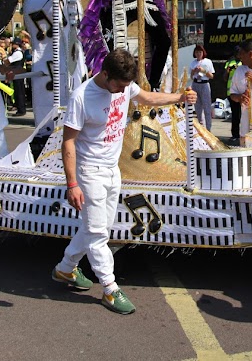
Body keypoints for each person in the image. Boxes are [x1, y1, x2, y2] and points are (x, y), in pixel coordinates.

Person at [51, 48, 196, 315]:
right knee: (97, 235)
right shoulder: (82, 96)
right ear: (105, 74)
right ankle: (109, 288)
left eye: (126, 86)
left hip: (111, 170)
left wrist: (179, 97)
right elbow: (68, 142)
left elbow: (148, 97)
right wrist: (72, 184)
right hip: (89, 171)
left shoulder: (125, 86)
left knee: (100, 228)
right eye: (119, 85)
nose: (122, 92)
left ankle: (64, 268)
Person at [189, 44, 215, 130]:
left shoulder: (208, 62)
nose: (198, 54)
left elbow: (212, 76)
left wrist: (203, 71)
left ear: (203, 53)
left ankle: (208, 128)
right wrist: (193, 72)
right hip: (196, 84)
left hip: (204, 84)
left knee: (207, 107)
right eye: (197, 52)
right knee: (198, 108)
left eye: (200, 52)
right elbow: (191, 77)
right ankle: (201, 127)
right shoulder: (193, 63)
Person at [224, 46, 242, 144]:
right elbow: (224, 77)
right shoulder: (230, 62)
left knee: (244, 115)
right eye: (238, 52)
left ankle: (244, 134)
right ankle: (235, 135)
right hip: (232, 93)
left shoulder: (243, 62)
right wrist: (228, 70)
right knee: (235, 115)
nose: (240, 54)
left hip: (242, 91)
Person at [6, 38, 27, 117]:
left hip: (17, 74)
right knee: (19, 91)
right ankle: (20, 108)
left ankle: (21, 110)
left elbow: (8, 61)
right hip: (17, 74)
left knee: (19, 92)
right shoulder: (17, 52)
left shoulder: (17, 53)